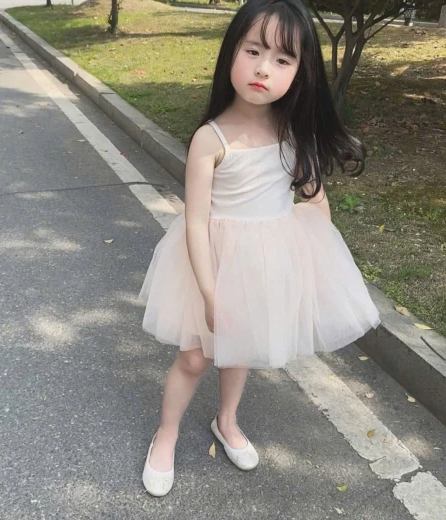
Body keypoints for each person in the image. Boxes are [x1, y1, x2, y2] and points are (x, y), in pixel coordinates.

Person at [138, 0, 381, 497]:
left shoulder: (292, 132)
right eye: (253, 51)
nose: (264, 68)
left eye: (282, 59)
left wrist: (308, 259)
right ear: (231, 52)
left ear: (300, 72)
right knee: (193, 358)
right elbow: (195, 221)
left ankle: (226, 420)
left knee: (239, 353)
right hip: (209, 265)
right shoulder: (211, 139)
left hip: (262, 266)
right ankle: (166, 434)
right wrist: (210, 292)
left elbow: (314, 198)